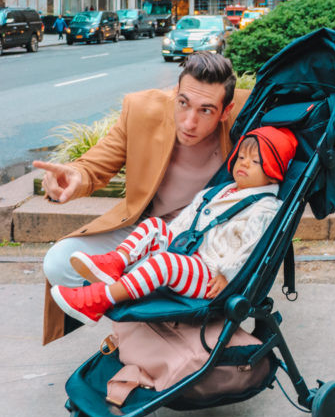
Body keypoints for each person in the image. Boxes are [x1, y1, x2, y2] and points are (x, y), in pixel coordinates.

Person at [33, 52, 250, 344]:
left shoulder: (247, 114)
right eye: (183, 103)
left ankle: (143, 339)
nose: (189, 122)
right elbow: (94, 164)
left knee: (153, 276)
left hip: (203, 243)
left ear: (225, 111)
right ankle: (137, 335)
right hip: (144, 229)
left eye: (206, 110)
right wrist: (72, 176)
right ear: (175, 92)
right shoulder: (141, 109)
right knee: (59, 262)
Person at [50, 126, 297, 326]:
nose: (243, 163)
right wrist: (169, 240)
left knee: (164, 264)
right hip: (192, 251)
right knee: (155, 225)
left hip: (213, 275)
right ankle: (116, 262)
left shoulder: (265, 208)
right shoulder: (222, 190)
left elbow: (252, 248)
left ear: (274, 171)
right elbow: (188, 218)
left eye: (255, 161)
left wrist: (230, 274)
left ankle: (99, 300)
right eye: (241, 156)